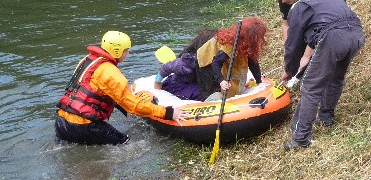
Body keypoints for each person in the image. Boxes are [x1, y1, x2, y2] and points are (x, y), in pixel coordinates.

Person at [55, 30, 186, 145]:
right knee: (128, 144)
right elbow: (132, 105)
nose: (128, 53)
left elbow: (96, 93)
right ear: (116, 51)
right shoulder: (110, 72)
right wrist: (168, 112)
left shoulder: (87, 60)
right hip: (84, 126)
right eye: (126, 50)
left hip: (61, 122)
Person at [282, 0, 365, 150]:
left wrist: (290, 70)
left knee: (311, 87)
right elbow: (319, 29)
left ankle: (300, 137)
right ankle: (326, 117)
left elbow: (292, 44)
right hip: (356, 35)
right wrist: (305, 60)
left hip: (333, 37)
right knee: (336, 78)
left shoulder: (300, 6)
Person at [195, 17, 267, 101]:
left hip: (219, 58)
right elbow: (216, 63)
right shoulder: (230, 45)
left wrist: (259, 81)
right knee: (213, 88)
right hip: (207, 60)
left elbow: (253, 62)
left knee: (230, 83)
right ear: (251, 36)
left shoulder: (247, 44)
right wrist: (221, 80)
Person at [153, 28, 216, 101]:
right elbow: (166, 68)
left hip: (195, 83)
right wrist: (157, 83)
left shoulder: (214, 59)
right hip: (179, 85)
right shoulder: (187, 63)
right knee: (200, 94)